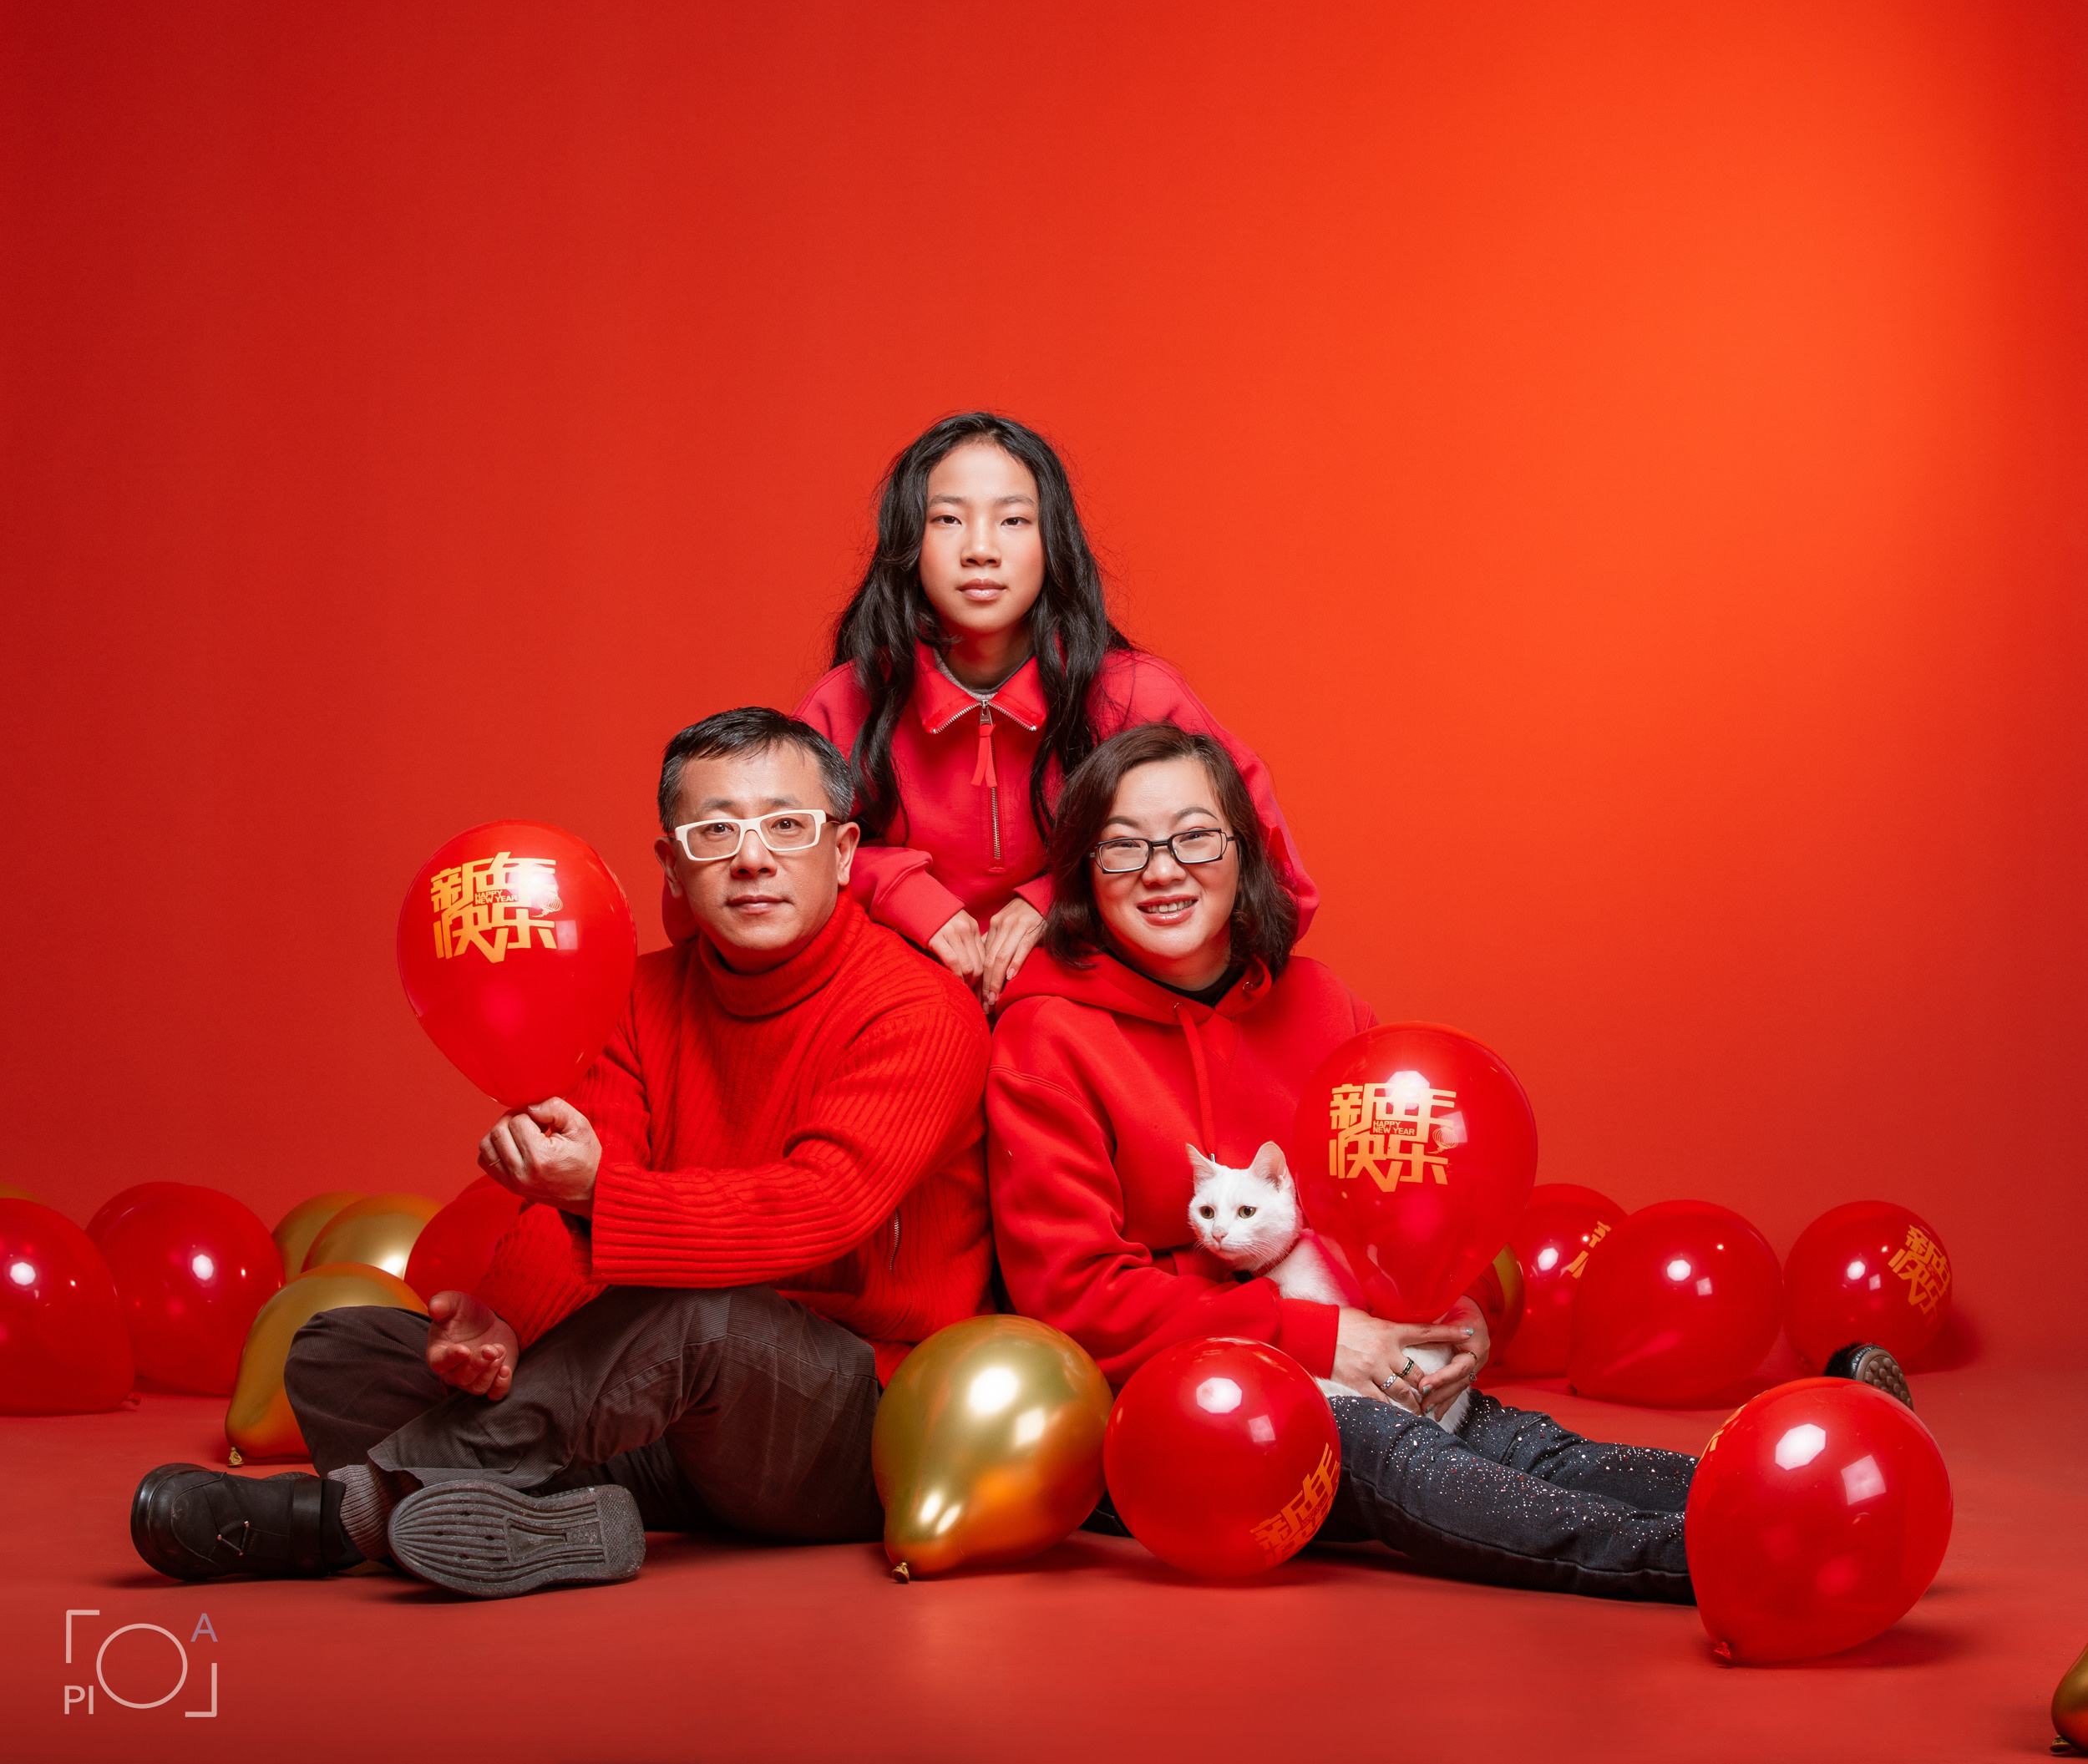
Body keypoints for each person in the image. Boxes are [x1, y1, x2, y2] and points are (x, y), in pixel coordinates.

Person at [130, 707, 993, 1598]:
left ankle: (345, 1515)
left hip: (840, 1423)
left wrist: (599, 1193)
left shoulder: (918, 1011)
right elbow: (578, 1184)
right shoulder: (637, 997)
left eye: (786, 824)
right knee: (337, 1349)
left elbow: (822, 1207)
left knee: (700, 1315)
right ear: (672, 863)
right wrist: (504, 1323)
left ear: (844, 851)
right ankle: (581, 1520)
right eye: (714, 830)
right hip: (652, 1414)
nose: (751, 856)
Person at [986, 722, 1703, 1600]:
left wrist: (1464, 1308)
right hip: (1173, 1412)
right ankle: (1715, 1555)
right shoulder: (1044, 1035)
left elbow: (1412, 1208)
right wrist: (1323, 1335)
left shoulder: (1323, 1006)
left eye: (1194, 837)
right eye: (1123, 846)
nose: (1162, 870)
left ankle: (1771, 1485)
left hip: (1357, 1361)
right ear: (1084, 874)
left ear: (1244, 851)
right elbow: (1074, 1296)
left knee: (1527, 1445)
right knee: (1404, 1461)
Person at [661, 411, 1319, 1012]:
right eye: (947, 520)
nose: (981, 548)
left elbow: (1262, 869)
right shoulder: (845, 699)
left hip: (1085, 1018)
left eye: (1013, 520)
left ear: (1052, 543)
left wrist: (1058, 899)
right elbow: (768, 862)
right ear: (907, 545)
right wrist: (902, 891)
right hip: (901, 1014)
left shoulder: (1137, 694)